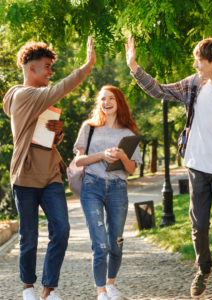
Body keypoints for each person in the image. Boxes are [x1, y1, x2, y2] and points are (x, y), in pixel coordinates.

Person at [125, 37, 212, 300]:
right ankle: (203, 268)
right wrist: (134, 67)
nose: (195, 65)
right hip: (197, 166)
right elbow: (160, 91)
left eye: (199, 61)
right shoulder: (194, 84)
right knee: (199, 224)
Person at [3, 36, 96, 300]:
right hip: (26, 177)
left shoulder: (38, 100)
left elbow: (43, 135)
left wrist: (59, 132)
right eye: (46, 67)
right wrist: (86, 66)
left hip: (51, 175)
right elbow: (59, 89)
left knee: (62, 229)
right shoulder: (23, 95)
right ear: (31, 69)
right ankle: (28, 288)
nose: (50, 72)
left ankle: (48, 289)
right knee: (29, 235)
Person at [73, 85, 142, 300]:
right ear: (99, 103)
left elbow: (131, 169)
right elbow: (79, 160)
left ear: (119, 102)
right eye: (102, 99)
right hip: (92, 186)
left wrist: (121, 156)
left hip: (118, 189)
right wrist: (102, 154)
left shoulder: (128, 133)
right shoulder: (89, 127)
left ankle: (111, 285)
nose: (106, 102)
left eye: (111, 98)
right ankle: (100, 291)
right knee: (100, 243)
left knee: (116, 241)